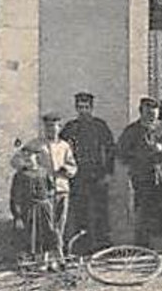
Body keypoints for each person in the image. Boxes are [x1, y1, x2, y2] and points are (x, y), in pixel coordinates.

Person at [61, 92, 116, 252]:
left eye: (86, 107)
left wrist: (108, 173)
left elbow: (111, 150)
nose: (83, 111)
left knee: (100, 211)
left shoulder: (100, 126)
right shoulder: (70, 127)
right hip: (78, 177)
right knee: (80, 212)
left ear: (91, 108)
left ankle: (103, 246)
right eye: (80, 107)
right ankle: (82, 245)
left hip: (97, 175)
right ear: (76, 108)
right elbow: (61, 149)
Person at [118, 97, 162, 248]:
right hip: (142, 177)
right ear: (141, 113)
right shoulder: (132, 131)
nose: (152, 117)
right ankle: (143, 245)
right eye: (148, 114)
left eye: (155, 114)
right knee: (143, 210)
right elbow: (122, 153)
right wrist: (137, 160)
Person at [15, 113, 78, 246]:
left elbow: (73, 165)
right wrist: (30, 168)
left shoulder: (64, 146)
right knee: (47, 226)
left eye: (53, 126)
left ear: (59, 127)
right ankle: (46, 257)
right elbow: (16, 160)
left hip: (62, 189)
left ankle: (58, 255)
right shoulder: (36, 144)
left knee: (60, 224)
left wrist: (66, 170)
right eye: (47, 126)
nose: (50, 130)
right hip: (44, 193)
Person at [9, 145, 62, 268]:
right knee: (30, 235)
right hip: (28, 210)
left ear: (36, 157)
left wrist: (48, 201)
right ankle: (29, 262)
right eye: (25, 156)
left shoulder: (43, 172)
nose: (27, 158)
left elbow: (51, 189)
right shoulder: (20, 175)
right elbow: (15, 197)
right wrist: (17, 216)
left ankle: (45, 261)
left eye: (30, 155)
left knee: (47, 233)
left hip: (44, 208)